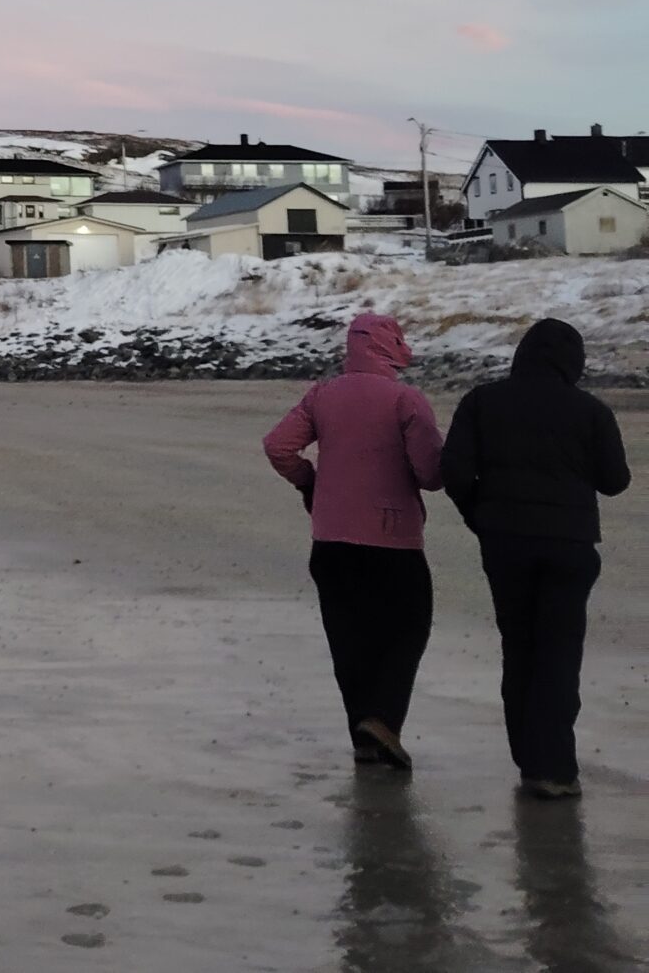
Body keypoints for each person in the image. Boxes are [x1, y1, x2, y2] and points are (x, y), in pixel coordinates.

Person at [440, 317, 631, 799]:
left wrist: (481, 518)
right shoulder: (590, 411)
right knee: (559, 655)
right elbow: (615, 480)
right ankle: (555, 768)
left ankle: (529, 761)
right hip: (570, 546)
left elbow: (455, 472)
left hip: (505, 545)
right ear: (574, 363)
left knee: (520, 649)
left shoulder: (481, 402)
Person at [264, 311, 444, 769]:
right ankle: (382, 719)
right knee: (407, 628)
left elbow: (278, 446)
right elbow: (430, 474)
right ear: (391, 347)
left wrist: (310, 482)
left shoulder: (322, 395)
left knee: (349, 639)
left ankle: (365, 739)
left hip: (331, 540)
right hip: (393, 541)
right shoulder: (406, 400)